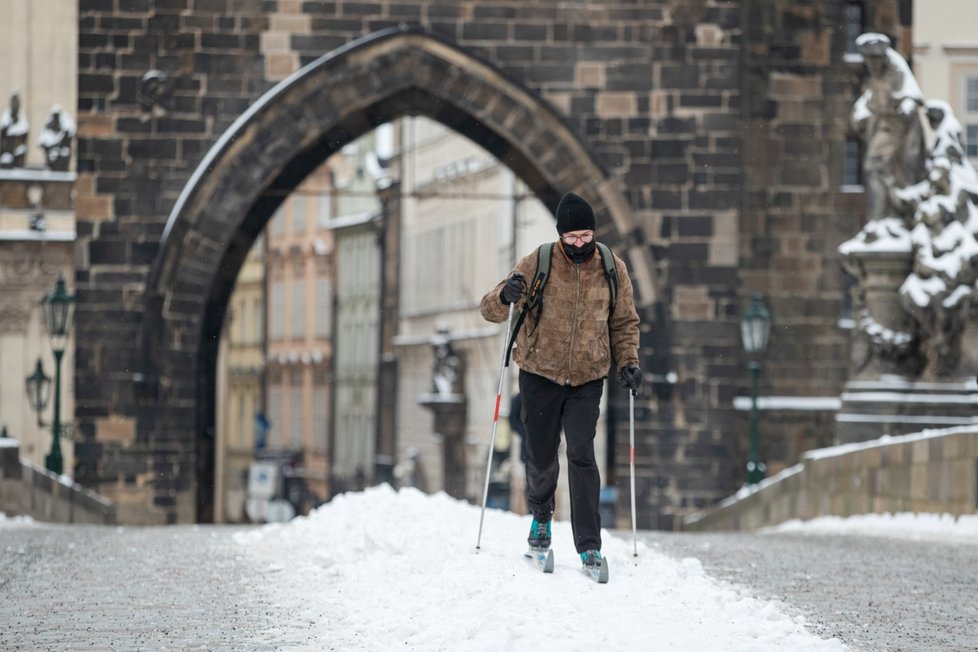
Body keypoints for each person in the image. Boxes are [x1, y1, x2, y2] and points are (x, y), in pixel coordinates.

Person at [480, 191, 641, 572]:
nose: (581, 244)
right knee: (540, 455)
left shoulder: (611, 266)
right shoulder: (538, 261)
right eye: (573, 238)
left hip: (588, 376)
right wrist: (506, 294)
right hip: (539, 373)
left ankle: (589, 544)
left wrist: (629, 362)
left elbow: (624, 322)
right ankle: (540, 519)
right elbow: (490, 309)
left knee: (582, 454)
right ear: (560, 236)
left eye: (586, 236)